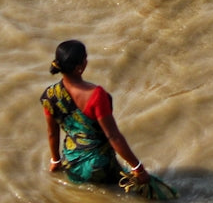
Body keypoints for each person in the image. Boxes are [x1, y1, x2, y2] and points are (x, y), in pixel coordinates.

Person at [40, 40, 176, 198]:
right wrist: (138, 168)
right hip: (99, 165)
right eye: (85, 58)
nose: (87, 61)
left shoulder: (50, 95)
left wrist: (55, 161)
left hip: (71, 163)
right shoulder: (96, 95)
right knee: (131, 192)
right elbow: (113, 136)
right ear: (79, 67)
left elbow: (52, 133)